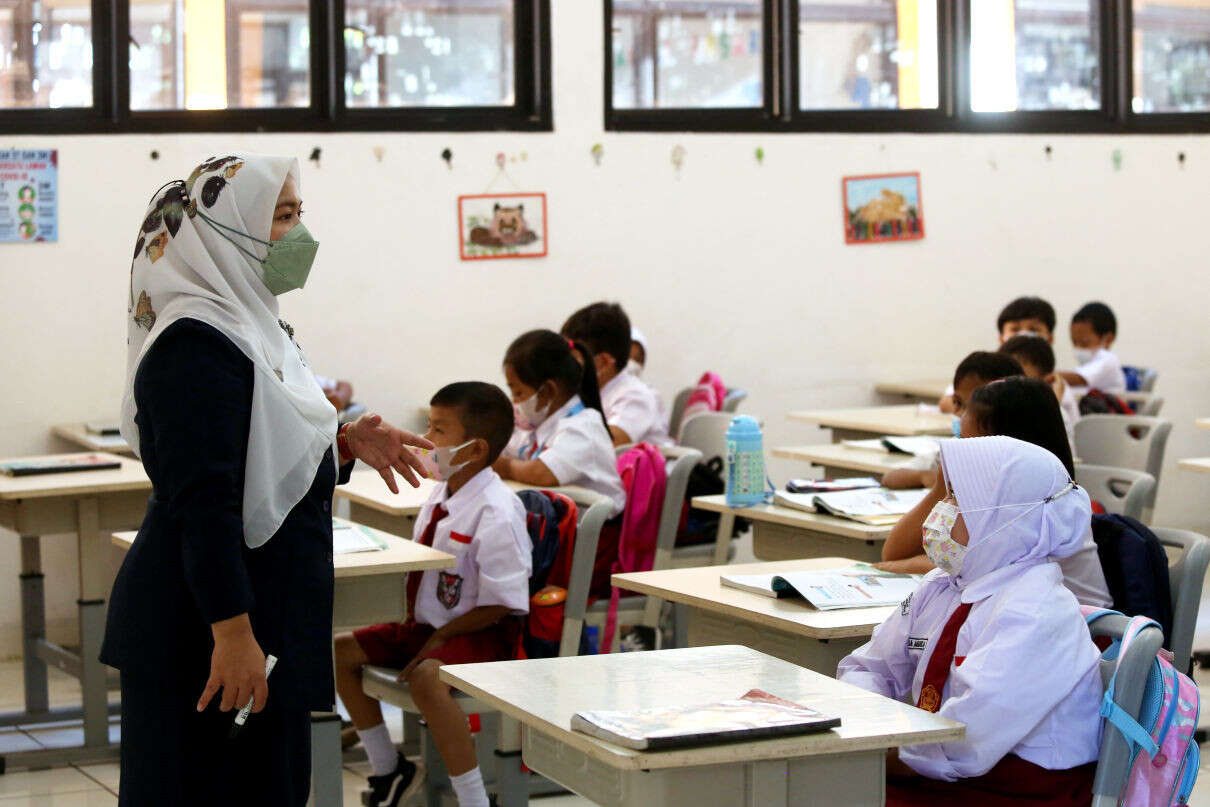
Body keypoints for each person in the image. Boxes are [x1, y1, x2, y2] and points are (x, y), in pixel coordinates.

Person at [103, 154, 433, 806]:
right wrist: (232, 633)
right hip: (206, 631)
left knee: (273, 787)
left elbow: (254, 450)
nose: (299, 235)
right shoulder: (192, 345)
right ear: (223, 232)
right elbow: (207, 504)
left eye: (299, 214)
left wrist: (343, 440)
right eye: (282, 217)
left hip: (260, 620)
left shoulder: (251, 327)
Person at [840, 436, 1103, 806]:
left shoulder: (1035, 610)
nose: (940, 512)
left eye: (958, 499)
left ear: (1006, 518)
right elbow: (870, 666)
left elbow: (965, 739)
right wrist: (864, 725)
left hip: (1012, 788)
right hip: (933, 769)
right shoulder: (942, 585)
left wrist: (872, 756)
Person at [336, 382, 530, 807]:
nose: (426, 438)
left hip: (484, 633)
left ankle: (474, 799)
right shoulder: (442, 492)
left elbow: (504, 601)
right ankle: (391, 770)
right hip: (430, 627)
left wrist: (441, 639)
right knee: (342, 652)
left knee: (428, 678)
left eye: (438, 430)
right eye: (428, 425)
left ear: (475, 449)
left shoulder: (497, 509)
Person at [879, 377, 1111, 607]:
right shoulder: (994, 492)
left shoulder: (1034, 504)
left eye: (971, 445)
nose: (964, 454)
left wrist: (884, 569)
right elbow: (895, 552)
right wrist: (947, 483)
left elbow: (966, 568)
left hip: (1080, 630)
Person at [495, 329, 625, 594]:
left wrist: (505, 466)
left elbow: (542, 472)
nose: (515, 402)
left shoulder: (583, 426)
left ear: (548, 391)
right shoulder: (538, 425)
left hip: (588, 555)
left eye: (519, 393)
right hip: (557, 545)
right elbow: (501, 448)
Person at [883, 352, 1021, 491]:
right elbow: (889, 478)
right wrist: (925, 476)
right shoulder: (954, 448)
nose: (959, 412)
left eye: (973, 407)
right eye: (957, 402)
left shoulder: (1017, 457)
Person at [560, 302, 671, 447]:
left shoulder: (635, 397)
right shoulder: (586, 391)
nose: (565, 366)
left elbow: (603, 446)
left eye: (573, 359)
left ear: (604, 362)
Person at [939, 296, 1055, 412]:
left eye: (1033, 330)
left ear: (1050, 338)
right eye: (1015, 329)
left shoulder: (1052, 380)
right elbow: (947, 402)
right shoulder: (988, 368)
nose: (1023, 334)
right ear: (1001, 338)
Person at [999, 335, 1078, 450]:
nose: (1008, 386)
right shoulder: (993, 411)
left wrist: (1050, 407)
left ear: (1047, 382)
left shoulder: (1058, 415)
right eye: (1004, 377)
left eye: (1019, 379)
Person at [1059, 301, 1126, 394]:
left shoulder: (1109, 361)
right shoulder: (1088, 366)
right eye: (1074, 343)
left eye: (1084, 343)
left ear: (1108, 339)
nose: (1078, 348)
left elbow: (1078, 378)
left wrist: (1042, 377)